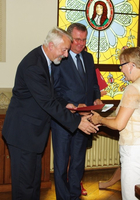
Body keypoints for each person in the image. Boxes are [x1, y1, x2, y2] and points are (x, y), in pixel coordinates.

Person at [2, 27, 99, 200]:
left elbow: (52, 95)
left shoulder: (45, 60)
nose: (66, 55)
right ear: (51, 45)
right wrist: (77, 122)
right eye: (64, 50)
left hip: (32, 135)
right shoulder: (34, 65)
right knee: (24, 186)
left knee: (33, 183)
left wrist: (68, 104)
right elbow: (47, 102)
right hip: (23, 135)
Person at [90, 47, 140, 200]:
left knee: (131, 197)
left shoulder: (133, 88)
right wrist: (102, 120)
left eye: (121, 65)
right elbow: (128, 119)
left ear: (131, 65)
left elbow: (119, 124)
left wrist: (100, 120)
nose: (121, 70)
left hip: (137, 151)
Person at [51, 23, 102, 200]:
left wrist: (96, 97)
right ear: (70, 39)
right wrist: (72, 105)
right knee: (61, 163)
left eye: (84, 39)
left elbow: (94, 84)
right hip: (64, 120)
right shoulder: (60, 58)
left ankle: (74, 195)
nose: (81, 43)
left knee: (78, 162)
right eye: (77, 39)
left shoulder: (88, 58)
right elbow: (54, 91)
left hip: (85, 120)